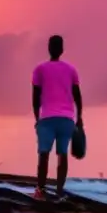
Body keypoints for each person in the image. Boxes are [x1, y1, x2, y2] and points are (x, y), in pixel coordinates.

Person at [31, 34, 83, 199]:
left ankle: (41, 189)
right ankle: (59, 191)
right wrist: (79, 116)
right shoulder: (71, 69)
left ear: (49, 48)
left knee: (44, 154)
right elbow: (77, 96)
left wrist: (36, 118)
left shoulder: (39, 69)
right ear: (62, 49)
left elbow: (35, 97)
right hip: (67, 118)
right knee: (62, 154)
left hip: (47, 118)